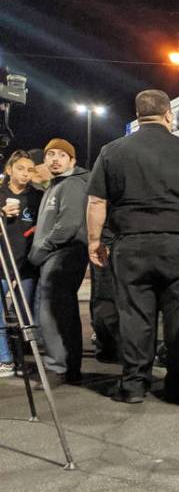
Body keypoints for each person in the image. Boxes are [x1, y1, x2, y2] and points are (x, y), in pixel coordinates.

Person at [87, 92, 179, 403]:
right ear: (168, 115)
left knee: (135, 316)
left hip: (131, 245)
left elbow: (96, 202)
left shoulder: (112, 151)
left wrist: (95, 240)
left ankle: (134, 385)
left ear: (138, 115)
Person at [29, 139, 89, 387]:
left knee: (52, 312)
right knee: (62, 312)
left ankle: (58, 367)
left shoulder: (72, 184)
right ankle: (68, 366)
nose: (55, 159)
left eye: (62, 155)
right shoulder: (55, 185)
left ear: (72, 161)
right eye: (50, 154)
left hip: (63, 255)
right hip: (57, 255)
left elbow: (68, 225)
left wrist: (41, 249)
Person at [0, 151, 41, 377]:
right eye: (20, 169)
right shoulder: (0, 193)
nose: (25, 174)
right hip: (1, 264)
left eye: (29, 169)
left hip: (26, 265)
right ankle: (4, 358)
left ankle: (23, 358)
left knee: (25, 315)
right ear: (9, 170)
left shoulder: (36, 196)